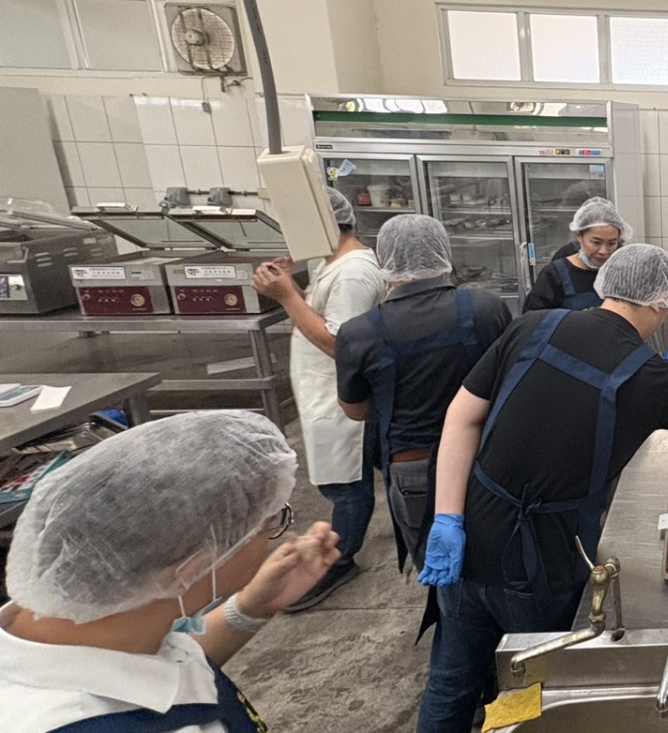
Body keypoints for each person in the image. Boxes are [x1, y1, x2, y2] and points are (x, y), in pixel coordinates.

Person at [412, 244, 668, 732]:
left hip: (466, 533)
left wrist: (447, 518)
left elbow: (462, 416)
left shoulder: (533, 325)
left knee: (450, 682)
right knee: (534, 687)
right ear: (661, 304)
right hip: (540, 559)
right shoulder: (652, 376)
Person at [2, 411, 343, 732]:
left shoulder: (64, 624)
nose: (274, 535)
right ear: (192, 568)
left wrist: (249, 608)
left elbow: (168, 668)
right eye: (269, 522)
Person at [336, 215, 513, 574]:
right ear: (443, 251)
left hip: (414, 470)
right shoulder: (486, 308)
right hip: (488, 454)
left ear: (383, 259)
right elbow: (512, 379)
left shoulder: (358, 332)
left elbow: (355, 410)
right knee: (498, 559)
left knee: (441, 568)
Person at [252, 186, 387, 610]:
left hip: (341, 401)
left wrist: (287, 295)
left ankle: (339, 560)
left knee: (347, 486)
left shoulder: (353, 273)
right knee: (372, 466)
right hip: (326, 396)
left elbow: (340, 344)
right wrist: (291, 284)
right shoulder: (334, 264)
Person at [522, 197, 631, 313]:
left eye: (612, 243)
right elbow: (534, 319)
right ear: (578, 236)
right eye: (596, 242)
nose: (604, 251)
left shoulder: (623, 271)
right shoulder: (555, 274)